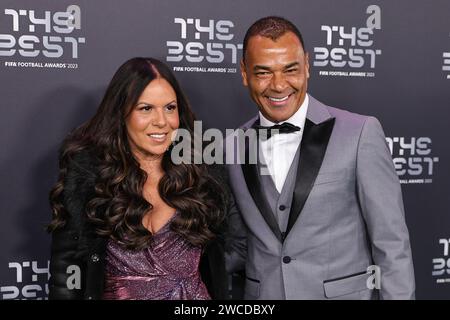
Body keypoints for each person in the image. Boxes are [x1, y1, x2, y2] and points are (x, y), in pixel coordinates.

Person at [225, 16, 415, 299]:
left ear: (308, 66)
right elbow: (238, 243)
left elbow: (391, 244)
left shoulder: (360, 133)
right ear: (244, 73)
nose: (278, 85)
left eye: (291, 69)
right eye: (263, 72)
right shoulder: (232, 146)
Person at [47, 57, 237, 300]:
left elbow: (220, 264)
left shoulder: (201, 175)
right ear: (121, 114)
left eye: (170, 107)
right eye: (146, 108)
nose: (162, 121)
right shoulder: (90, 180)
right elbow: (66, 277)